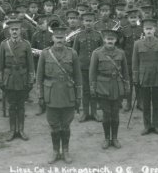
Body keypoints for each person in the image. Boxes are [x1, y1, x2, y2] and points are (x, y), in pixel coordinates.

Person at [38, 31, 82, 164]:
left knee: (66, 125)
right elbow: (39, 77)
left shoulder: (72, 53)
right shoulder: (45, 54)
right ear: (52, 38)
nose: (59, 40)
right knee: (54, 126)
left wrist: (78, 96)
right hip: (51, 94)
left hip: (68, 94)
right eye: (57, 38)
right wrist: (40, 95)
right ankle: (55, 151)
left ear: (65, 39)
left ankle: (66, 151)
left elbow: (78, 76)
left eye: (62, 38)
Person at [88, 34, 129, 148]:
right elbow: (92, 73)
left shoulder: (121, 53)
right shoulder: (97, 53)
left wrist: (126, 86)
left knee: (115, 113)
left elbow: (125, 72)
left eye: (112, 39)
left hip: (117, 86)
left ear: (116, 40)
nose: (110, 41)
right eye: (108, 39)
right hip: (103, 87)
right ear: (104, 40)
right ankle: (106, 139)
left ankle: (115, 138)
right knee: (106, 114)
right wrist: (93, 87)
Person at [129, 24, 158, 135]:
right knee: (145, 103)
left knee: (157, 103)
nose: (149, 31)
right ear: (143, 30)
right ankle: (147, 126)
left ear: (154, 30)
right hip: (144, 76)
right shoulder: (137, 44)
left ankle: (156, 125)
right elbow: (135, 62)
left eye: (151, 29)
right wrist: (136, 77)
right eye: (147, 29)